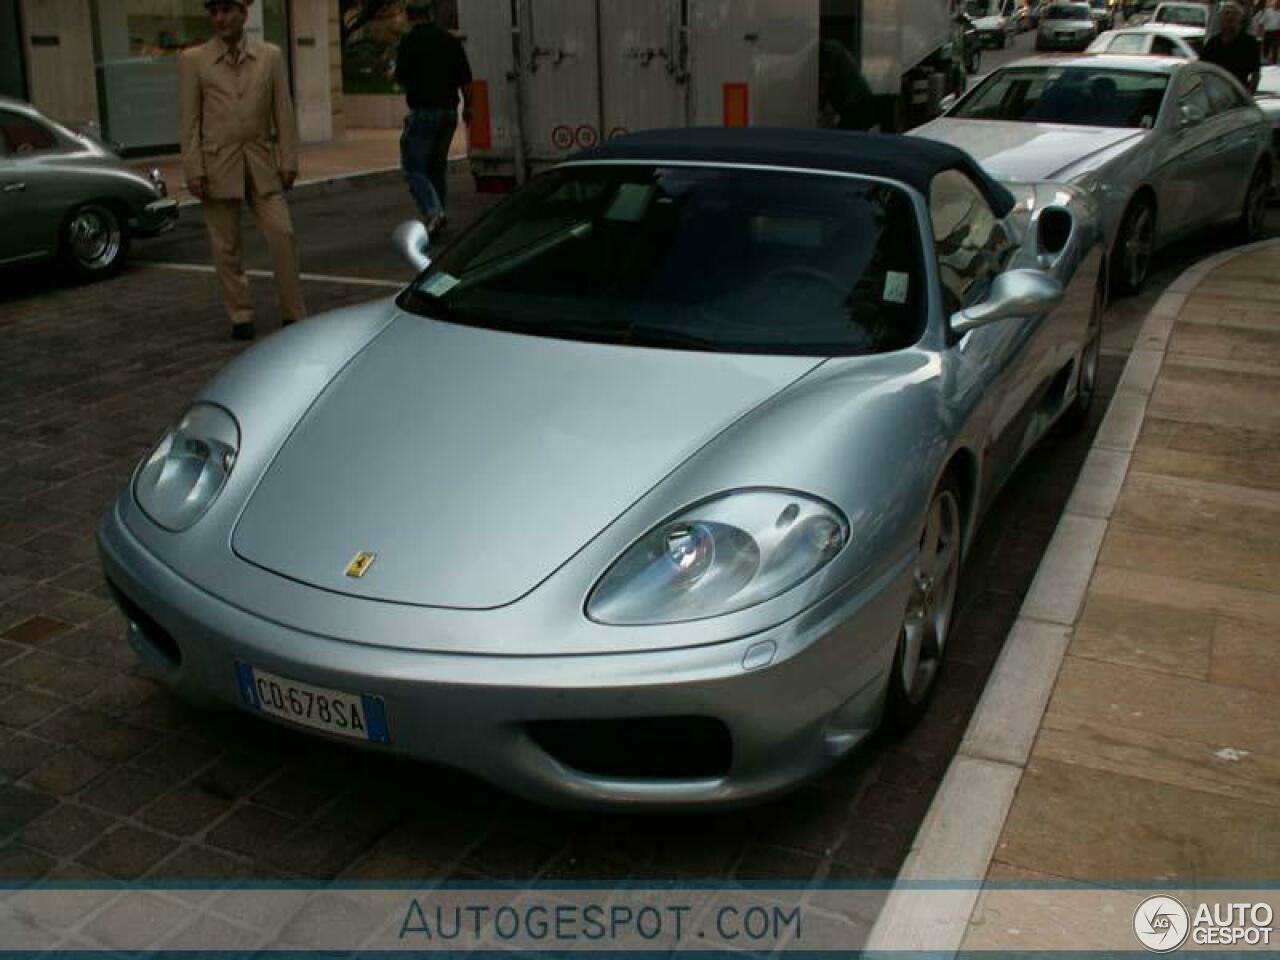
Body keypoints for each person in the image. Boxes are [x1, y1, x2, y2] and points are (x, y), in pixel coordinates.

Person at [179, 0, 305, 341]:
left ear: (243, 13)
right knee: (226, 247)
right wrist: (193, 168)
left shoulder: (270, 56)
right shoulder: (194, 60)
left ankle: (294, 313)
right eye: (214, 12)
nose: (220, 19)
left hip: (262, 163)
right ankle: (240, 315)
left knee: (282, 234)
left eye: (227, 10)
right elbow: (189, 121)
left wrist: (288, 159)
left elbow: (284, 112)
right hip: (217, 165)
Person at [394, 2, 473, 237]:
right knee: (436, 168)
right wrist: (470, 108)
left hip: (423, 111)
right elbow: (466, 80)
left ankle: (433, 212)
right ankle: (439, 213)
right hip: (449, 113)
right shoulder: (450, 40)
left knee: (414, 167)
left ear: (410, 17)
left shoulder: (409, 42)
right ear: (429, 15)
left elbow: (401, 77)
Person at [1202, 2, 1262, 92]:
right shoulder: (1213, 43)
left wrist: (1249, 94)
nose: (1230, 16)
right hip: (1215, 92)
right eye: (1226, 13)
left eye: (1235, 14)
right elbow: (1201, 68)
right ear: (1221, 19)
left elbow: (1255, 73)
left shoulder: (1249, 43)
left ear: (1240, 19)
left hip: (1238, 93)